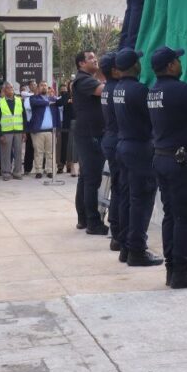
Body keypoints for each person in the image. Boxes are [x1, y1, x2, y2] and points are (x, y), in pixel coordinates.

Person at [148, 46, 187, 288]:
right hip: (182, 162)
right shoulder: (185, 91)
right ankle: (182, 271)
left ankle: (172, 269)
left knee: (171, 215)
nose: (181, 63)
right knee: (186, 216)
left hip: (163, 158)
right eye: (177, 60)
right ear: (171, 66)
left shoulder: (152, 91)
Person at [112, 48, 162, 265]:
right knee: (141, 200)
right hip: (139, 147)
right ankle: (137, 251)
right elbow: (154, 119)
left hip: (123, 145)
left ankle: (126, 247)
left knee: (127, 198)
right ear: (135, 66)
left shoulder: (118, 88)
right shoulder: (140, 90)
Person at [72, 51, 109, 235]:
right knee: (91, 178)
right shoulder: (83, 80)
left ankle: (83, 219)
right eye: (91, 58)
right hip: (90, 134)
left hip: (88, 132)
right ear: (81, 64)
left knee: (86, 177)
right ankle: (93, 222)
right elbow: (103, 90)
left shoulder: (86, 78)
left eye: (96, 57)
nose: (95, 60)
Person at [99, 53, 123, 252]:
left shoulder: (109, 88)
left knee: (117, 188)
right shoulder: (116, 89)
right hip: (117, 141)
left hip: (110, 139)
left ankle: (115, 230)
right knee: (122, 189)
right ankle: (117, 232)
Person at [28, 82, 61, 179]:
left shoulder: (53, 100)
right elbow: (35, 103)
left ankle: (49, 170)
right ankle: (38, 170)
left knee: (50, 152)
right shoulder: (34, 98)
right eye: (41, 85)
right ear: (38, 88)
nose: (44, 87)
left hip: (51, 131)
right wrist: (48, 102)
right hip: (38, 131)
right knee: (38, 152)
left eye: (45, 85)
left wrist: (58, 129)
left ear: (48, 88)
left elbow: (57, 115)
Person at [0, 82, 26, 181]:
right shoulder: (0, 102)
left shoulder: (20, 100)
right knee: (5, 153)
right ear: (4, 90)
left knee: (18, 152)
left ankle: (17, 172)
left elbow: (24, 116)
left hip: (18, 130)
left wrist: (24, 132)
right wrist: (0, 135)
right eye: (8, 88)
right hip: (6, 132)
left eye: (12, 87)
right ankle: (6, 173)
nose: (11, 89)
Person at [58, 80, 76, 176]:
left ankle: (71, 166)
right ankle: (61, 165)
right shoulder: (65, 95)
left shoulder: (81, 95)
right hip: (67, 125)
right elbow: (59, 102)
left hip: (78, 123)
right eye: (71, 85)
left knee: (74, 146)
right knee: (65, 145)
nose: (72, 87)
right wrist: (68, 100)